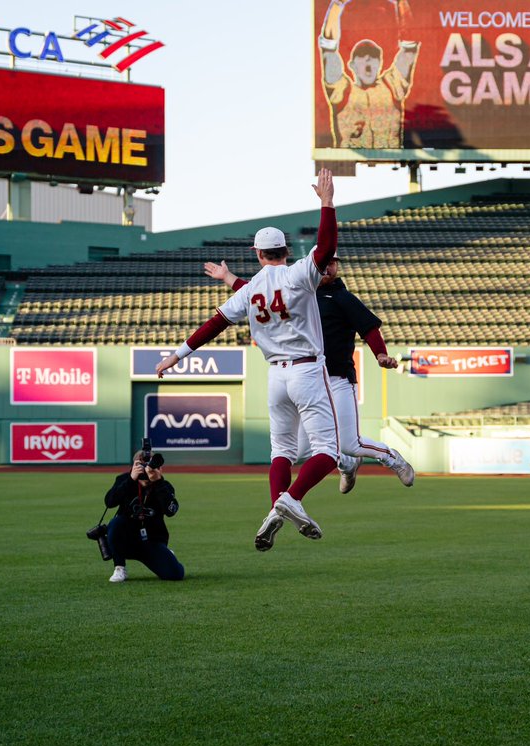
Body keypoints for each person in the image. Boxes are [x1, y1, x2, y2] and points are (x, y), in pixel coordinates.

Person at [156, 169, 341, 552]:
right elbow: (324, 250)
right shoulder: (297, 275)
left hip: (275, 378)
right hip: (307, 369)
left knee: (281, 453)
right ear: (286, 252)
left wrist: (177, 355)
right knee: (328, 452)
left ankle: (274, 511)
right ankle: (290, 500)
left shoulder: (251, 289)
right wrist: (326, 204)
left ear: (257, 255)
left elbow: (215, 323)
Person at [205, 255, 415, 493]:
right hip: (310, 379)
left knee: (350, 442)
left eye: (333, 263)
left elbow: (368, 327)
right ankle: (346, 463)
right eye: (325, 263)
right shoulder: (297, 292)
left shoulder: (341, 297)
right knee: (303, 450)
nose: (328, 268)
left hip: (337, 378)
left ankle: (392, 458)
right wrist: (228, 278)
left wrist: (380, 354)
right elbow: (255, 293)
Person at [319, 0, 419, 149]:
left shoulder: (392, 85)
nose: (368, 58)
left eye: (373, 55)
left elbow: (409, 46)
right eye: (361, 55)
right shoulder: (342, 91)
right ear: (351, 65)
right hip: (352, 156)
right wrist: (337, 4)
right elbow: (328, 48)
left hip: (393, 162)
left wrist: (401, 2)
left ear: (379, 63)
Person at [94, 451, 183, 583]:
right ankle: (119, 567)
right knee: (116, 523)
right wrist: (131, 479)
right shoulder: (124, 479)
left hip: (152, 541)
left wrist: (158, 482)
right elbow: (110, 502)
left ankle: (165, 553)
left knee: (175, 574)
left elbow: (171, 510)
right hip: (126, 542)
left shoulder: (163, 485)